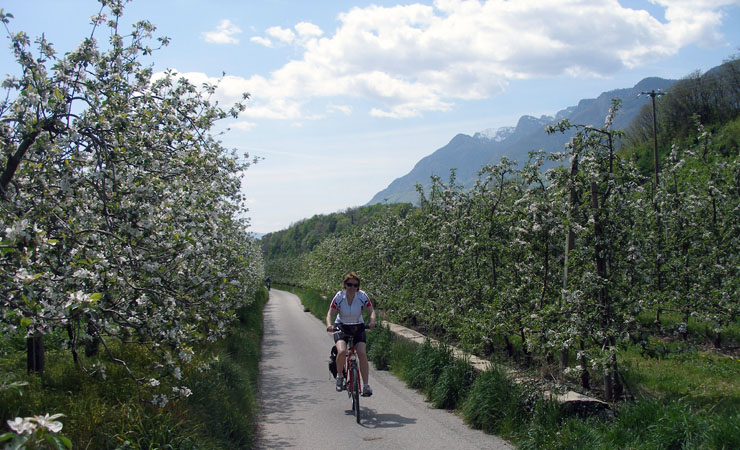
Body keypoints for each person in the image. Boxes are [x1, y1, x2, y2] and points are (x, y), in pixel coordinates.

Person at [326, 272, 376, 396]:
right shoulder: (339, 296)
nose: (352, 288)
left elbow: (371, 311)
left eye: (355, 285)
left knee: (362, 353)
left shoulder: (362, 296)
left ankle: (365, 386)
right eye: (349, 285)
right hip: (342, 327)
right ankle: (339, 377)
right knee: (342, 352)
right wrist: (329, 325)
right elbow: (330, 314)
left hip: (358, 327)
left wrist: (372, 321)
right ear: (345, 285)